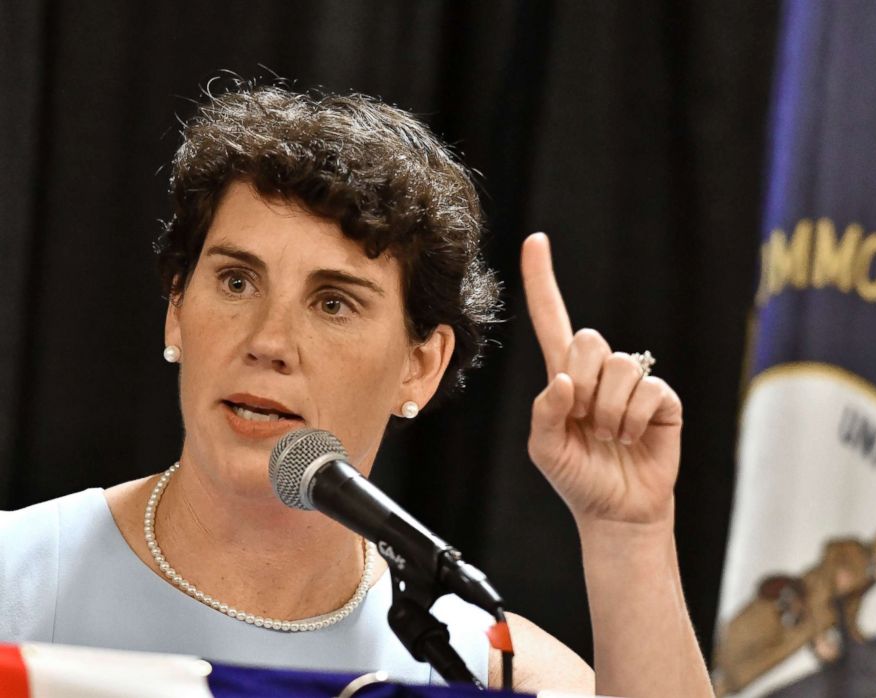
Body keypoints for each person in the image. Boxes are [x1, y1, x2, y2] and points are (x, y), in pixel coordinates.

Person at [0, 84, 712, 697]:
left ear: (421, 366)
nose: (269, 342)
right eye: (236, 281)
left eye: (334, 303)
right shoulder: (16, 579)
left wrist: (630, 536)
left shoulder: (473, 659)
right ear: (177, 310)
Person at [712, 525, 876, 696]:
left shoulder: (866, 584)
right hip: (779, 613)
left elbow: (847, 619)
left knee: (731, 680)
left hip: (793, 635)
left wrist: (847, 646)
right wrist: (822, 632)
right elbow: (829, 563)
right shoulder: (855, 552)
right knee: (720, 651)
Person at [765, 604, 876, 697]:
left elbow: (858, 653)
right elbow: (851, 665)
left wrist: (840, 609)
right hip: (816, 687)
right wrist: (830, 653)